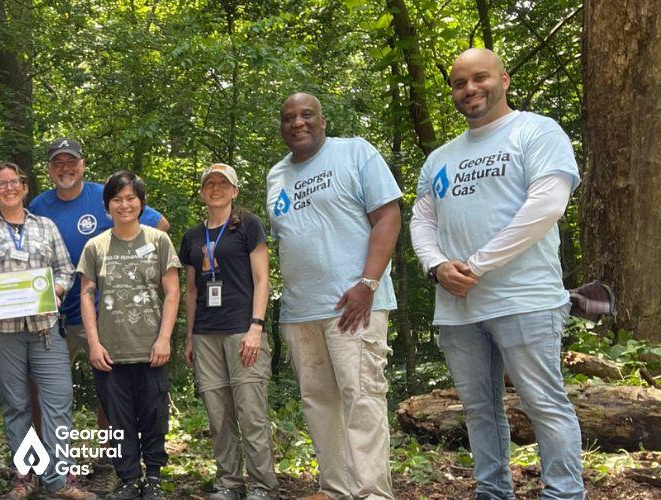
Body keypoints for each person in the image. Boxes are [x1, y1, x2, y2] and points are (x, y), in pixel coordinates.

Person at [410, 48, 584, 499]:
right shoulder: (440, 158)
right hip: (457, 306)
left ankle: (564, 493)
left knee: (544, 404)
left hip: (525, 298)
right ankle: (492, 492)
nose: (469, 89)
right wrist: (435, 265)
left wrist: (477, 264)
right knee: (479, 410)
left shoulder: (536, 131)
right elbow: (422, 219)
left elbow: (547, 205)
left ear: (503, 79)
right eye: (459, 83)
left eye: (479, 78)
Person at [265, 93, 401, 500]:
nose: (298, 123)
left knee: (362, 399)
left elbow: (388, 216)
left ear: (323, 120)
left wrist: (368, 284)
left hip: (353, 304)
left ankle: (372, 492)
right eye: (289, 118)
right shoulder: (276, 175)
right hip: (300, 310)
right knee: (318, 401)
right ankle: (336, 488)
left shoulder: (355, 153)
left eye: (307, 115)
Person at [0, 162, 96, 500]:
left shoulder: (45, 226)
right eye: (1, 183)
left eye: (14, 182)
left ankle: (60, 478)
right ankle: (24, 476)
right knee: (17, 405)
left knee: (59, 400)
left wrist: (56, 291)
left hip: (45, 328)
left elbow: (66, 270)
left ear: (24, 187)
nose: (8, 188)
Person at [78, 172, 181, 500]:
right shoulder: (96, 246)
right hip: (110, 350)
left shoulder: (158, 241)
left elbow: (173, 290)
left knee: (153, 415)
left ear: (141, 202)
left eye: (130, 198)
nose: (124, 205)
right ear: (107, 205)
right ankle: (128, 480)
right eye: (117, 199)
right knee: (118, 419)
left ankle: (152, 479)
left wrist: (164, 339)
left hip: (150, 347)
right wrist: (93, 343)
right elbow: (86, 295)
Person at [28, 137, 169, 370]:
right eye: (58, 163)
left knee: (109, 376)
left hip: (103, 311)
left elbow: (160, 224)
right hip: (54, 311)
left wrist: (132, 264)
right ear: (49, 169)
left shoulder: (107, 196)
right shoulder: (38, 206)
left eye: (71, 161)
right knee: (43, 380)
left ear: (82, 164)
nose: (65, 168)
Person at [181, 164, 278, 500]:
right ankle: (230, 484)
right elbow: (191, 291)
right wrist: (190, 336)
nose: (216, 188)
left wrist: (256, 327)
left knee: (250, 414)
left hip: (242, 330)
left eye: (224, 183)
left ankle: (263, 486)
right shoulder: (193, 236)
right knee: (218, 416)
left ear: (235, 191)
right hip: (206, 335)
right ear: (202, 191)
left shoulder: (248, 225)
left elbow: (263, 279)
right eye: (210, 183)